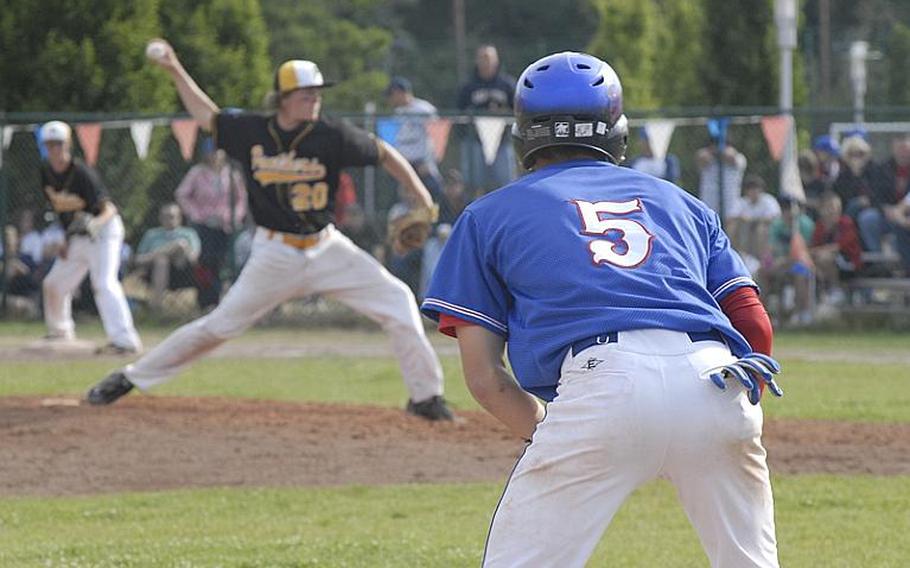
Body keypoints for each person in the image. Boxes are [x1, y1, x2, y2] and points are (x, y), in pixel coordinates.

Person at [421, 52, 783, 567]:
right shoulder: (681, 201)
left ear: (524, 134)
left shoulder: (488, 215)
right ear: (618, 131)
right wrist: (735, 408)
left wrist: (551, 429)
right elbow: (751, 320)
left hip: (603, 381)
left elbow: (484, 378)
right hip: (715, 379)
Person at [86, 41, 453, 421]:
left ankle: (425, 398)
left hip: (327, 248)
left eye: (317, 94)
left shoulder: (331, 134)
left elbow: (384, 153)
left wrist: (421, 195)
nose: (314, 100)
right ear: (283, 98)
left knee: (398, 302)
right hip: (274, 254)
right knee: (218, 327)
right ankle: (129, 378)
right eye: (306, 94)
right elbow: (207, 116)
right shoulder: (251, 131)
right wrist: (175, 68)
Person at [36, 120, 142, 354]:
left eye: (59, 144)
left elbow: (109, 208)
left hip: (104, 232)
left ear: (68, 144)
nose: (54, 149)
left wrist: (96, 223)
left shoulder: (82, 173)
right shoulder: (46, 172)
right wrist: (66, 239)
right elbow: (62, 211)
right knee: (54, 284)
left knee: (103, 283)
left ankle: (125, 341)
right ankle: (60, 332)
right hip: (78, 236)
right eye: (50, 145)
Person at [174, 137, 247, 310]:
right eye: (211, 152)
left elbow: (241, 199)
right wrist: (196, 214)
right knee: (206, 263)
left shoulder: (231, 173)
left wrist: (232, 216)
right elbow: (182, 194)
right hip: (203, 226)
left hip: (226, 226)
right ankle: (207, 302)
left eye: (217, 152)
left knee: (226, 263)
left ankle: (228, 301)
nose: (214, 156)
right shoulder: (197, 173)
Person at [457, 44, 516, 194]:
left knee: (506, 183)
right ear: (476, 61)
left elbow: (517, 110)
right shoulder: (468, 87)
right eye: (482, 58)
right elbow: (459, 114)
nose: (486, 62)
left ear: (496, 61)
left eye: (489, 58)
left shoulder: (507, 85)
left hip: (502, 142)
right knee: (474, 184)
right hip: (474, 143)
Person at [385, 76, 444, 202]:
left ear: (399, 93)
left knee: (435, 195)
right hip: (404, 164)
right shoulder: (398, 113)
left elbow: (437, 136)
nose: (390, 99)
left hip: (422, 164)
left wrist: (429, 161)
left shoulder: (423, 108)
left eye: (392, 95)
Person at [132, 203, 201, 310]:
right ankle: (157, 306)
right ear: (160, 218)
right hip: (155, 272)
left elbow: (193, 258)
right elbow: (138, 260)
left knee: (181, 244)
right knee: (161, 260)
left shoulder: (189, 234)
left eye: (172, 216)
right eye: (165, 217)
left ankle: (155, 305)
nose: (168, 220)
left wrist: (175, 249)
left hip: (183, 271)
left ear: (179, 218)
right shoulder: (151, 235)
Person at [760, 196, 816, 326]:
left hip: (803, 263)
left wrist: (785, 261)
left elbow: (805, 251)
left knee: (800, 274)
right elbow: (770, 248)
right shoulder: (777, 224)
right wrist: (768, 263)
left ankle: (800, 312)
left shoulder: (806, 224)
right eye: (785, 209)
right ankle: (766, 315)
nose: (789, 213)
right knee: (763, 273)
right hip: (781, 263)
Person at [810, 191, 864, 306]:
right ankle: (821, 294)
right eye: (829, 207)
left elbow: (839, 246)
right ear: (821, 210)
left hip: (850, 264)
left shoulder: (846, 223)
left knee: (825, 257)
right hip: (828, 264)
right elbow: (814, 248)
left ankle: (836, 290)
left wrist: (819, 251)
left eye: (836, 208)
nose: (833, 211)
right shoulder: (820, 227)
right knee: (811, 262)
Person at [727, 174, 782, 271]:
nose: (754, 192)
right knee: (734, 226)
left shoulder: (768, 200)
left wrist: (753, 220)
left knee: (760, 228)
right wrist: (742, 220)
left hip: (764, 236)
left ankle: (763, 258)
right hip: (745, 235)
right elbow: (731, 219)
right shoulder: (741, 202)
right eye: (750, 189)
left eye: (756, 188)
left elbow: (774, 218)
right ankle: (733, 254)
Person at [696, 133, 748, 223]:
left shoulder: (739, 157)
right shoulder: (708, 157)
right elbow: (701, 157)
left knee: (730, 220)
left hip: (730, 197)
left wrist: (721, 152)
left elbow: (731, 158)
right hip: (709, 197)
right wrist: (713, 153)